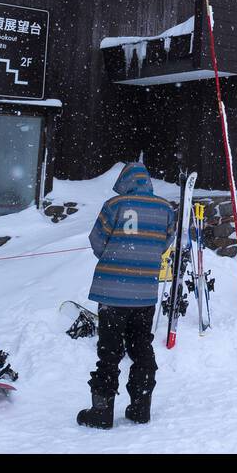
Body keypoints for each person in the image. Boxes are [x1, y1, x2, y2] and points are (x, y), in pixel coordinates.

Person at [77, 162, 177, 429]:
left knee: (109, 352)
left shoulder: (114, 205)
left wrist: (116, 258)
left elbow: (96, 240)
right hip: (145, 294)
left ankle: (102, 411)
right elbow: (166, 242)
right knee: (141, 347)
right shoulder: (165, 208)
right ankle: (140, 407)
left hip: (112, 293)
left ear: (125, 181)